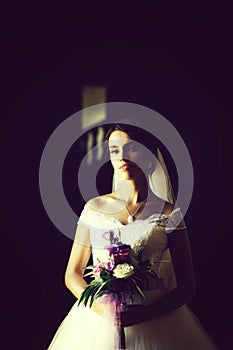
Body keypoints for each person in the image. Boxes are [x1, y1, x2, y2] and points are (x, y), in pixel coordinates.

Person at [47, 123, 219, 349]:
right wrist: (104, 310)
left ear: (149, 157)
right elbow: (73, 274)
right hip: (98, 320)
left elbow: (187, 287)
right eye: (115, 150)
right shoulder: (94, 207)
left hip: (155, 320)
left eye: (131, 148)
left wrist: (146, 313)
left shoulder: (169, 214)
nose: (122, 156)